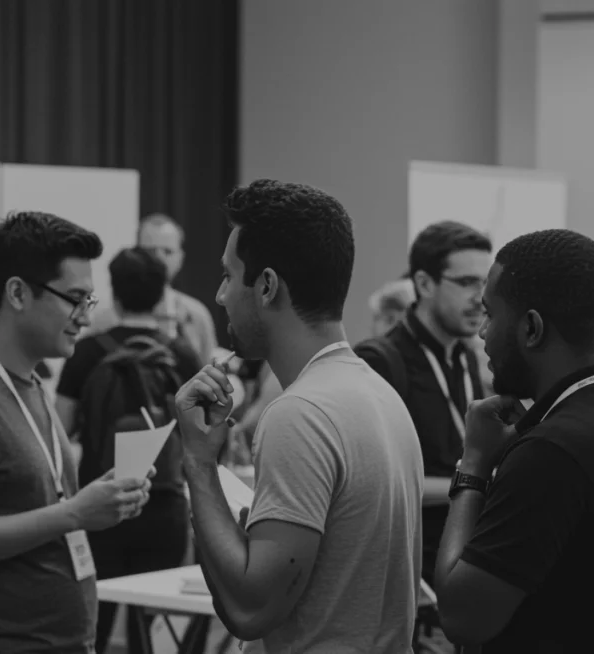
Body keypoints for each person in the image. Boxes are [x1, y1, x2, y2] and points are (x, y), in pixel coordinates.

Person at [172, 179, 424, 652]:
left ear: (266, 286)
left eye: (229, 275)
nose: (221, 295)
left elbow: (250, 610)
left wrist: (199, 465)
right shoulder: (381, 394)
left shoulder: (300, 414)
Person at [433, 229, 594, 653]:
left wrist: (474, 465)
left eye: (491, 314)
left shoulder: (552, 451)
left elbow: (461, 616)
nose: (481, 332)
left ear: (532, 328)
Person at [0, 211, 151, 654]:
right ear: (18, 293)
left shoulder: (34, 385)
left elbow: (39, 507)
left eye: (90, 302)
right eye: (74, 299)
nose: (84, 316)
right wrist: (73, 514)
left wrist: (96, 502)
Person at [55, 247, 202, 654]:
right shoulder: (182, 354)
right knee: (153, 636)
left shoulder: (86, 352)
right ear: (161, 296)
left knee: (92, 630)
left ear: (114, 294)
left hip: (101, 504)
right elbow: (201, 434)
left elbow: (59, 430)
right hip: (165, 504)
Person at [356, 222, 491, 578]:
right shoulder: (380, 361)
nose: (481, 297)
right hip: (402, 574)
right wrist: (478, 483)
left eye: (485, 283)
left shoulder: (466, 358)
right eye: (466, 283)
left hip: (459, 561)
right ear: (424, 284)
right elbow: (376, 485)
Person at [87, 213, 218, 365]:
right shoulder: (103, 314)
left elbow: (206, 371)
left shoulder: (196, 315)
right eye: (150, 251)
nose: (159, 259)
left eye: (167, 251)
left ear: (180, 258)